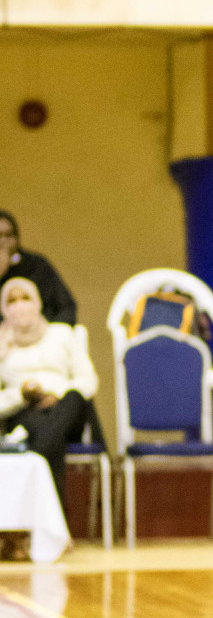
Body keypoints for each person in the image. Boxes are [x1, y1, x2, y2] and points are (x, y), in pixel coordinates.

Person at [0, 277, 97, 503]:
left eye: (25, 298)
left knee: (74, 398)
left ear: (37, 302)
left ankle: (38, 455)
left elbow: (88, 379)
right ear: (3, 307)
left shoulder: (61, 333)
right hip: (25, 412)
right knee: (46, 432)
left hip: (66, 409)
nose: (19, 305)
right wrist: (21, 397)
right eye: (11, 300)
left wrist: (57, 395)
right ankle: (58, 528)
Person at [0, 210, 77, 326]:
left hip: (42, 335)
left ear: (16, 238)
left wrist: (51, 335)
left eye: (8, 235)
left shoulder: (36, 265)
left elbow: (66, 307)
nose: (3, 241)